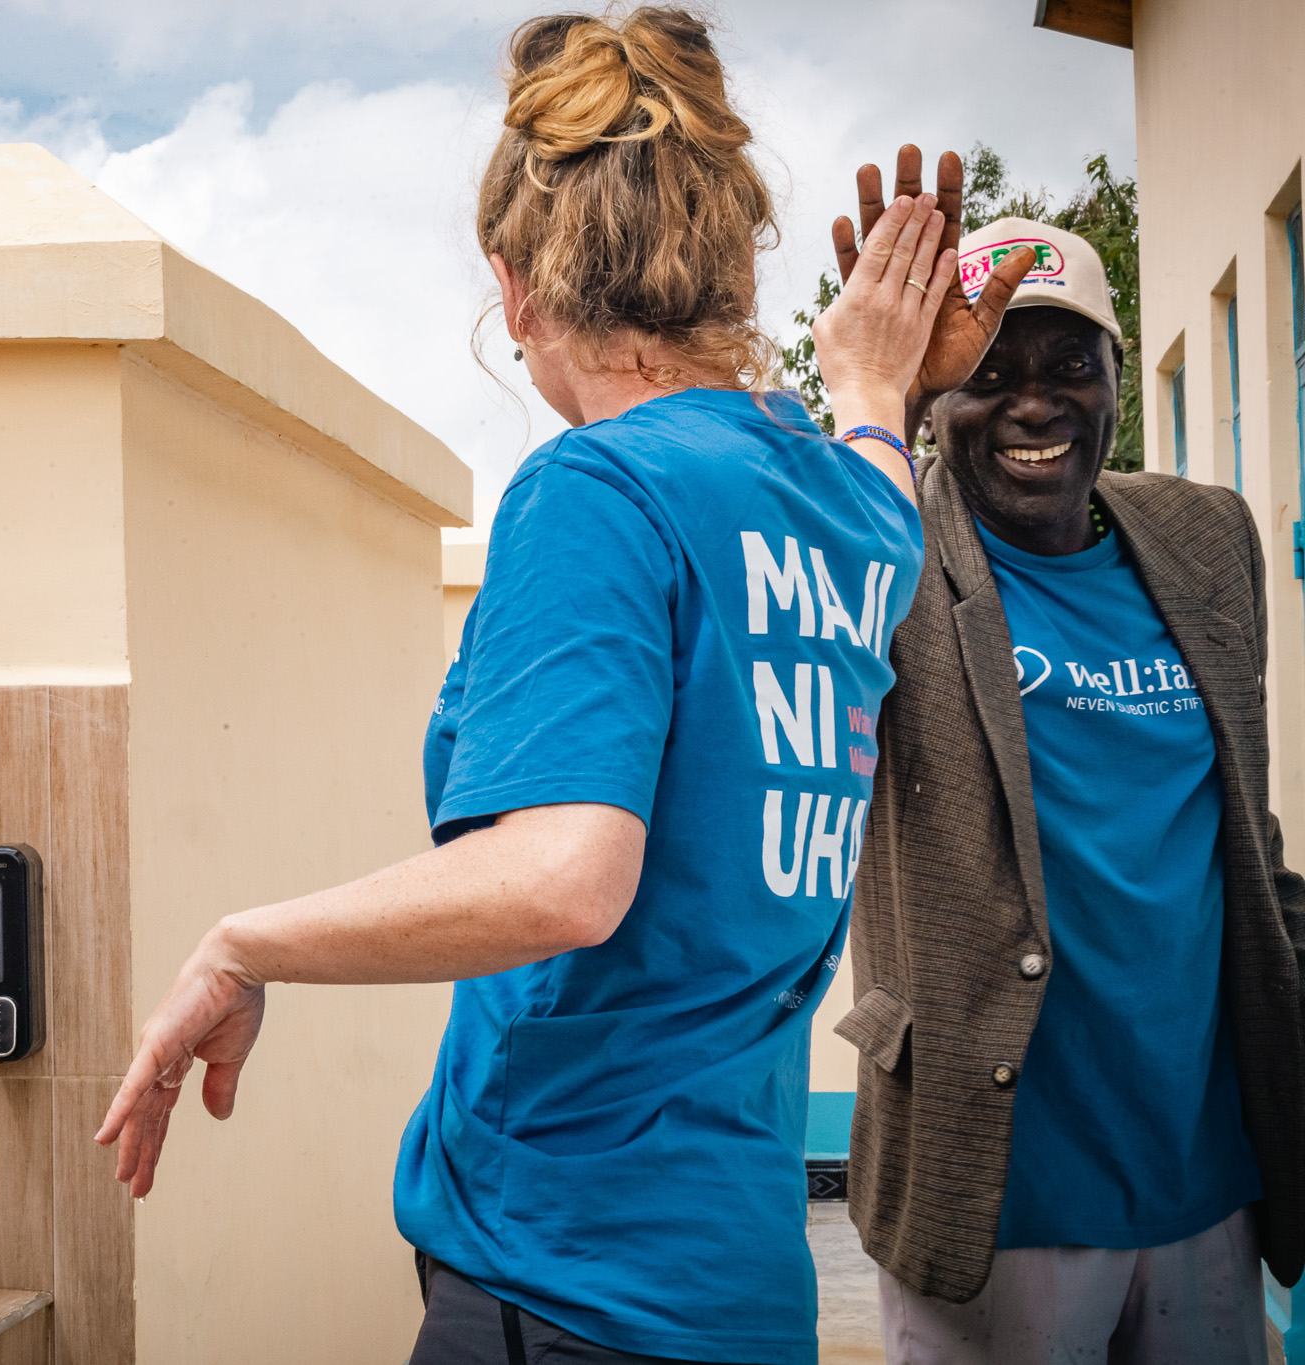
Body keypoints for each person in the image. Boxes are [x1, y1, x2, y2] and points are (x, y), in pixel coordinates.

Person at [95, 12, 1025, 1364]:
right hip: (738, 1286)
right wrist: (875, 378)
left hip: (560, 1275)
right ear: (726, 265)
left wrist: (242, 944)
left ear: (516, 284)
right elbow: (878, 459)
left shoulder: (596, 490)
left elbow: (563, 877)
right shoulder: (853, 516)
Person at [832, 151, 1305, 1365]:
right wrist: (867, 396)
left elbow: (1239, 831)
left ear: (1111, 379)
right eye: (985, 376)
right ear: (936, 403)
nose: (1031, 404)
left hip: (1209, 1173)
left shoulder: (1206, 539)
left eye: (1068, 367)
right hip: (997, 1190)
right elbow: (790, 602)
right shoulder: (879, 546)